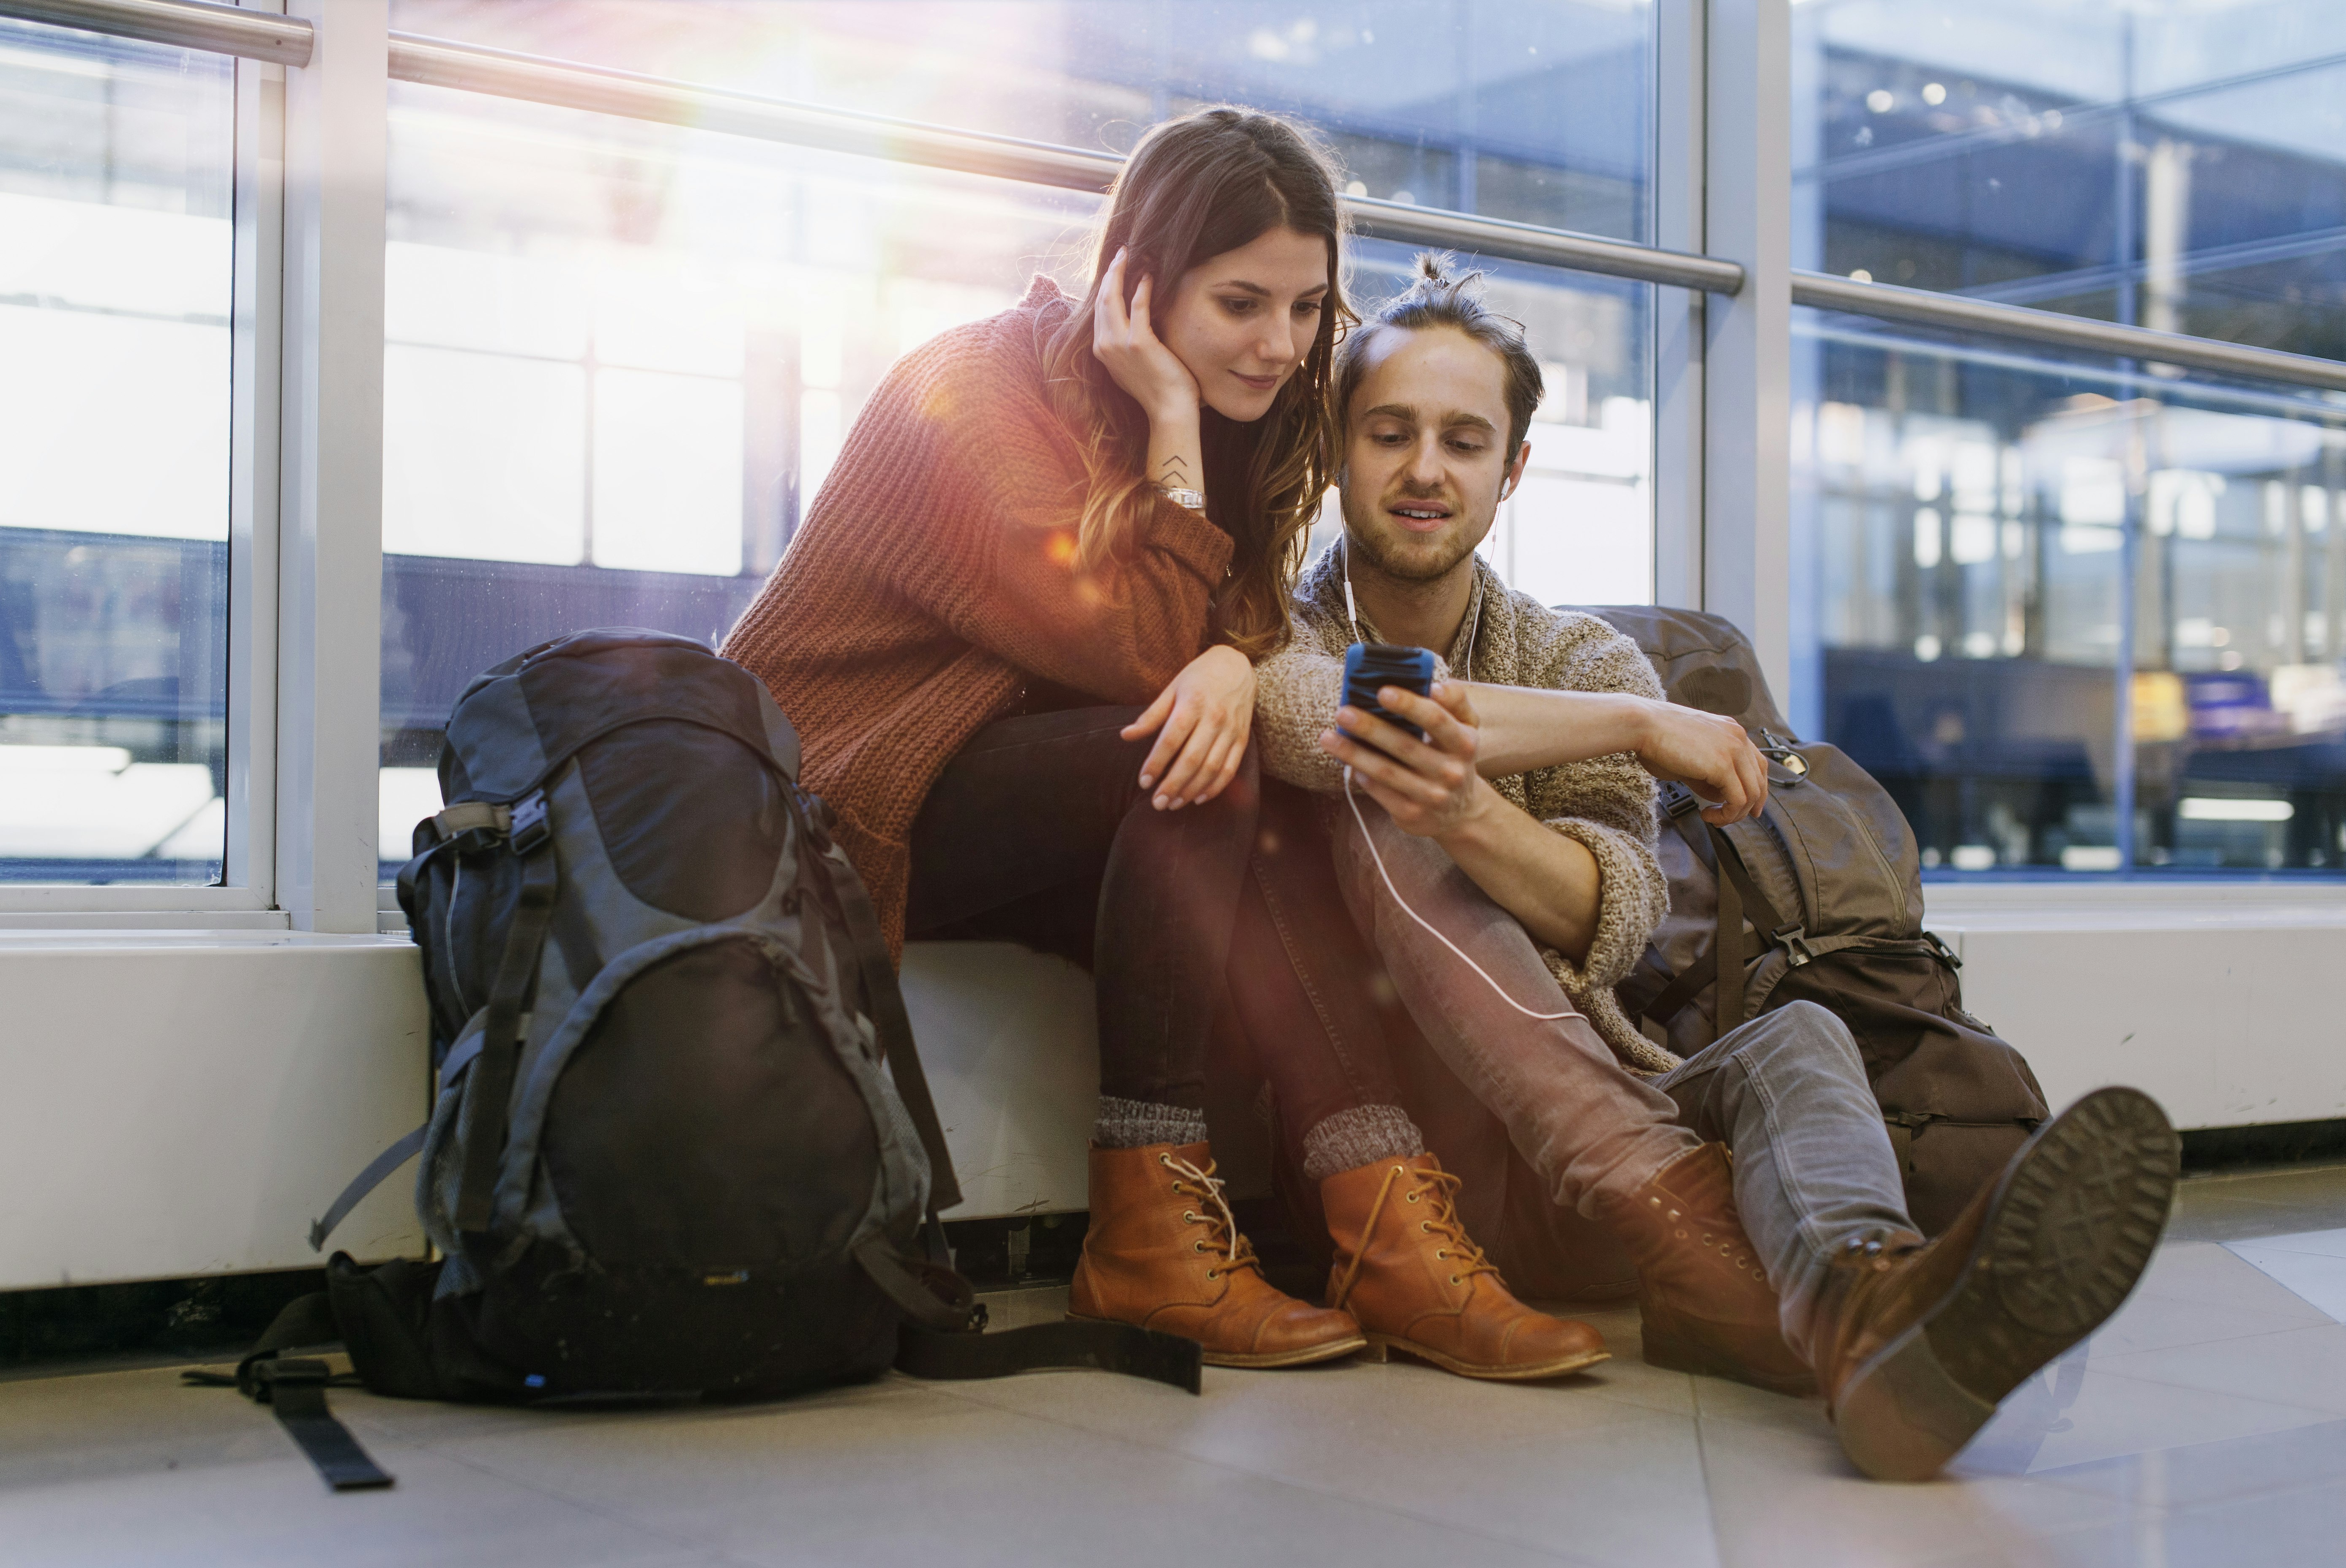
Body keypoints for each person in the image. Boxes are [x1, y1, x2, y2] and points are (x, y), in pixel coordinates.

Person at [1233, 257, 2178, 1480]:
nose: (1426, 470)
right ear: (1338, 449)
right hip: (1408, 1163)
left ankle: (1869, 1300)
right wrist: (1631, 732)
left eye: (1465, 440)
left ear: (1511, 470)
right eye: (1391, 433)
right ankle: (1800, 1299)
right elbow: (1323, 721)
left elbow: (1612, 922)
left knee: (1796, 1039)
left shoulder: (1584, 657)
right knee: (1386, 796)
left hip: (1599, 1131)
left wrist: (1479, 809)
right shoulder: (1278, 622)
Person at [721, 107, 1367, 1368]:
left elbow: (1231, 632)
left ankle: (1374, 1211)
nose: (1281, 345)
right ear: (1137, 278)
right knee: (1197, 765)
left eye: (1305, 307)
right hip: (833, 800)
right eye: (1242, 302)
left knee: (1298, 809)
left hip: (992, 787)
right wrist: (1176, 426)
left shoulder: (1251, 411)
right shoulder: (973, 390)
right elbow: (1138, 652)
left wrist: (1237, 659)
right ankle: (1148, 1248)